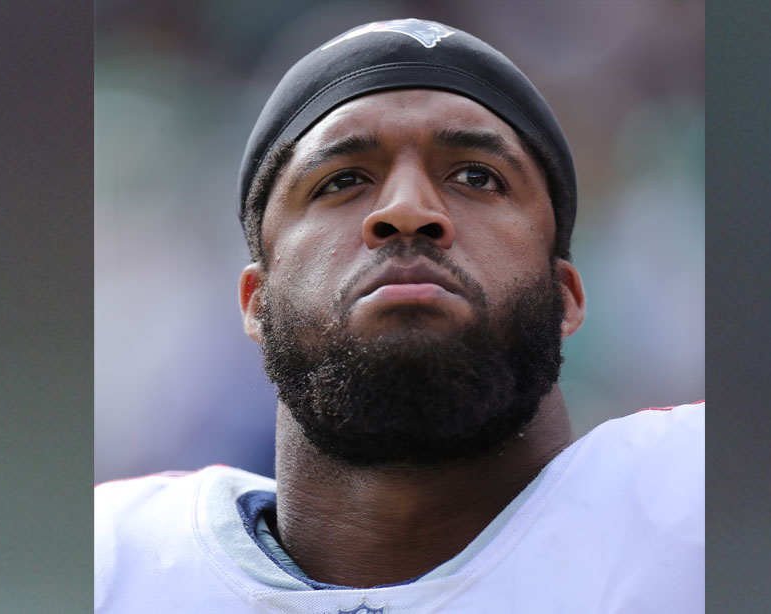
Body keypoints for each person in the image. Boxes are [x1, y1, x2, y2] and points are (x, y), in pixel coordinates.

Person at [95, 18, 703, 613]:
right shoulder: (111, 563)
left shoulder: (694, 496)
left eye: (476, 176)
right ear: (257, 301)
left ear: (565, 293)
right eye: (342, 180)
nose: (407, 210)